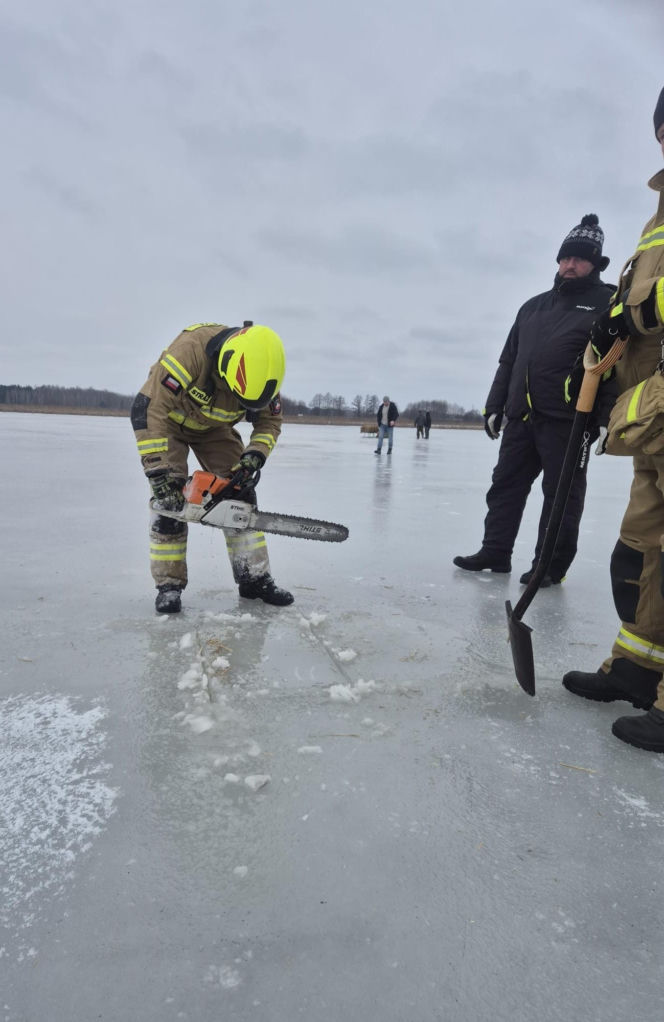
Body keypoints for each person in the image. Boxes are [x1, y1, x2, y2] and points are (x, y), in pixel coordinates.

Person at [562, 88, 664, 752]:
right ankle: (637, 670)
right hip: (651, 405)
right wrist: (604, 355)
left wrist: (632, 313)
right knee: (644, 547)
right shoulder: (660, 211)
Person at [453, 214, 615, 585]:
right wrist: (495, 406)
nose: (570, 265)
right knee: (504, 487)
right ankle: (495, 551)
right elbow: (508, 361)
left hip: (570, 421)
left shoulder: (607, 304)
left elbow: (613, 367)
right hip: (522, 418)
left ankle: (549, 566)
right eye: (565, 257)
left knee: (561, 497)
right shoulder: (532, 307)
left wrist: (607, 417)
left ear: (595, 263)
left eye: (579, 258)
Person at [130, 320, 294, 614]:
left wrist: (255, 455)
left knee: (241, 494)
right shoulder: (190, 352)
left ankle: (254, 578)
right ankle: (168, 586)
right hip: (168, 423)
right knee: (169, 501)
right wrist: (158, 472)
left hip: (215, 429)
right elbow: (148, 408)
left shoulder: (263, 375)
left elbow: (270, 421)